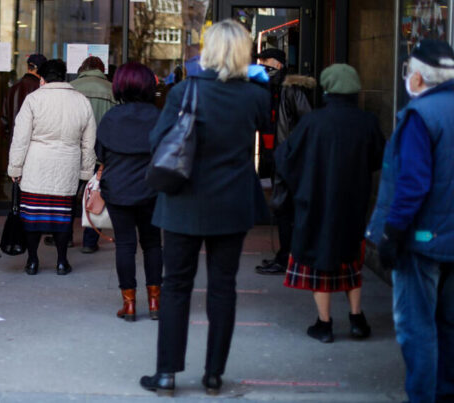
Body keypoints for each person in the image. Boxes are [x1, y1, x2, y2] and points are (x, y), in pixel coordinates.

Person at [139, 20, 269, 396]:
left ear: (207, 50)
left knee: (176, 285)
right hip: (233, 203)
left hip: (184, 201)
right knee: (223, 288)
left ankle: (166, 374)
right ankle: (214, 375)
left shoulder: (184, 91)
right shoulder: (256, 95)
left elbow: (158, 139)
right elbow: (262, 130)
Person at [366, 39, 454, 403]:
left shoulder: (421, 116)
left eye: (409, 72)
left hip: (421, 240)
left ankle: (422, 396)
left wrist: (391, 234)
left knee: (416, 326)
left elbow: (412, 183)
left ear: (418, 77)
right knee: (448, 325)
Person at [274, 64, 385, 343]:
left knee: (320, 262)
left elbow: (286, 158)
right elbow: (377, 159)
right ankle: (357, 319)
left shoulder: (314, 122)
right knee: (351, 261)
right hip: (353, 202)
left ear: (327, 89)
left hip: (317, 202)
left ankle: (324, 325)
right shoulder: (368, 122)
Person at [8, 59, 96, 276]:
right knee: (63, 217)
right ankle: (61, 262)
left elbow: (20, 138)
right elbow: (89, 141)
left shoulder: (33, 100)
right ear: (65, 77)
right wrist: (86, 171)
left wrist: (15, 168)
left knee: (32, 217)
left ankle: (32, 261)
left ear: (42, 78)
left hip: (36, 165)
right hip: (67, 165)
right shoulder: (81, 101)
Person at [95, 62, 162, 321]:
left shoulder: (111, 118)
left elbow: (99, 153)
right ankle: (155, 302)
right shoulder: (158, 116)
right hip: (152, 189)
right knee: (153, 243)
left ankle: (130, 304)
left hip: (118, 189)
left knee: (125, 244)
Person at [254, 48, 316, 275]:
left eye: (267, 63)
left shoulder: (291, 90)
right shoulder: (269, 88)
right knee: (281, 208)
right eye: (261, 64)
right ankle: (285, 255)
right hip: (275, 156)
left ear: (279, 64)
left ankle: (288, 258)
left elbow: (307, 122)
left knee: (284, 208)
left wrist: (293, 152)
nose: (263, 68)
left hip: (288, 158)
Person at [67, 56, 116, 254]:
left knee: (68, 195)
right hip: (101, 154)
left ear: (83, 68)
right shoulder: (112, 90)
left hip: (74, 152)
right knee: (96, 196)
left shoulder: (70, 88)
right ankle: (90, 241)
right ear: (102, 69)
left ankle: (65, 236)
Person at [0, 54, 46, 200]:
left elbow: (4, 119)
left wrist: (9, 139)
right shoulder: (41, 90)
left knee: (17, 183)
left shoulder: (13, 88)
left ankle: (17, 211)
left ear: (28, 67)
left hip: (14, 143)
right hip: (36, 145)